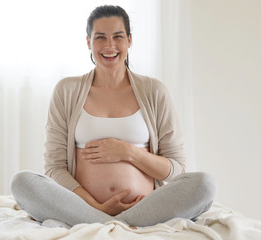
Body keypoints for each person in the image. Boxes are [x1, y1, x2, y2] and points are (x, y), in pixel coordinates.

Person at [11, 5, 216, 227]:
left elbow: (175, 168)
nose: (110, 46)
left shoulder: (154, 91)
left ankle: (104, 223)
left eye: (118, 36)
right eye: (100, 37)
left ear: (129, 40)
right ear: (89, 42)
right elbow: (54, 167)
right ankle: (110, 222)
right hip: (84, 207)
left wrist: (128, 152)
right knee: (22, 182)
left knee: (205, 184)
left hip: (145, 208)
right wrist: (95, 206)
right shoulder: (66, 90)